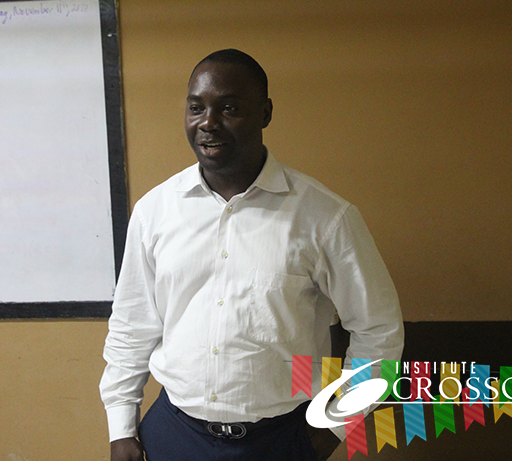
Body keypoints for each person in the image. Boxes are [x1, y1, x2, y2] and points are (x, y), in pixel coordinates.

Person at [100, 49, 403, 461]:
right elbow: (131, 326)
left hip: (282, 437)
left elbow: (379, 330)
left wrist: (333, 426)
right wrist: (121, 427)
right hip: (173, 433)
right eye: (196, 107)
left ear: (265, 113)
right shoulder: (154, 211)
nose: (208, 122)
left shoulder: (324, 217)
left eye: (228, 108)